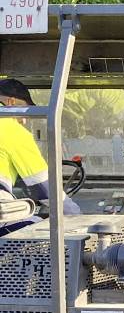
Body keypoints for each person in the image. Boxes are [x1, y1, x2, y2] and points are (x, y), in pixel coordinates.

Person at [0, 79, 81, 237]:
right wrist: (78, 217)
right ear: (10, 102)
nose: (24, 121)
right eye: (25, 111)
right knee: (42, 229)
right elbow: (44, 189)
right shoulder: (11, 129)